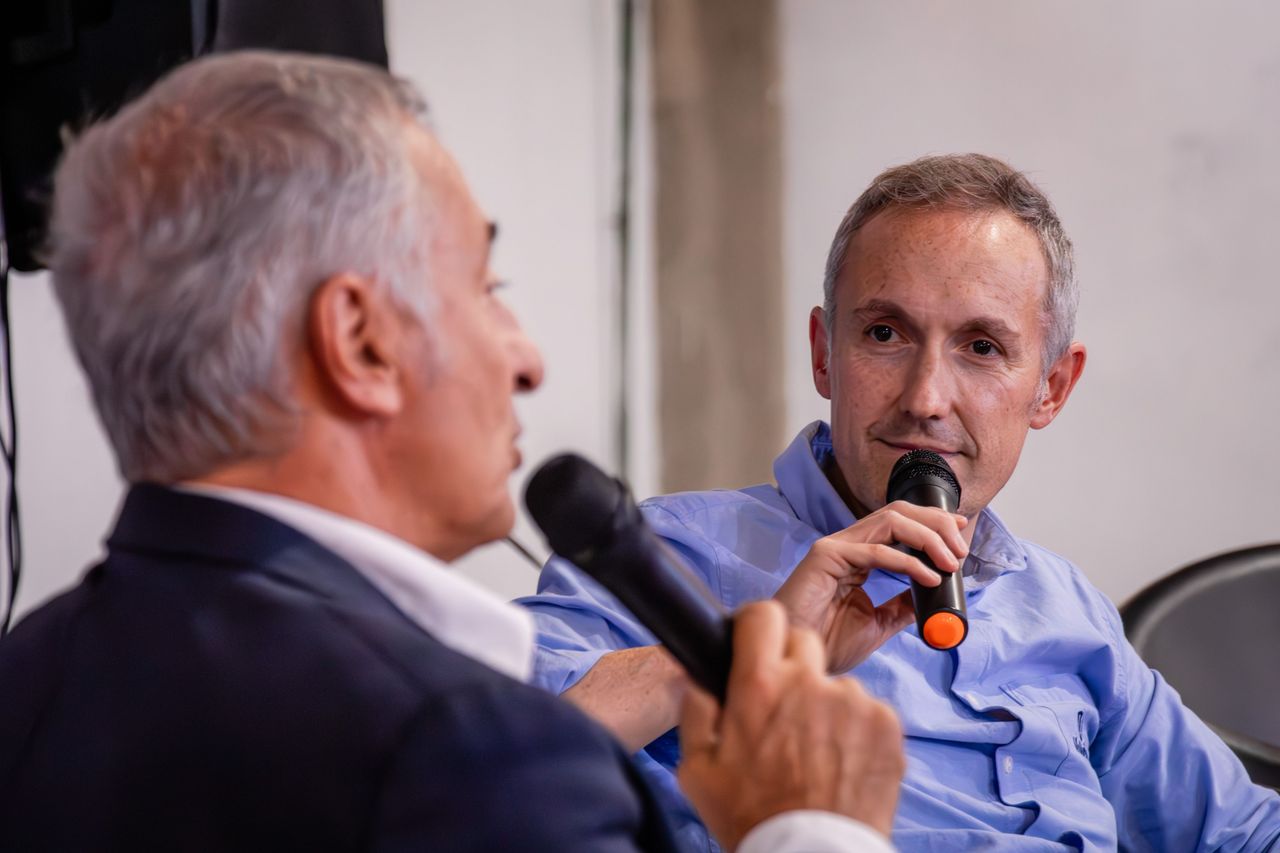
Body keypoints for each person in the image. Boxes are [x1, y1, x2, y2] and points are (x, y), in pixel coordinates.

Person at [0, 52, 907, 852]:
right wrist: (807, 824)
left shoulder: (26, 675)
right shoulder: (474, 756)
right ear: (359, 342)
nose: (526, 358)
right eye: (485, 286)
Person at [521, 153, 1280, 852]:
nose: (925, 399)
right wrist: (744, 650)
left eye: (981, 347)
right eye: (885, 333)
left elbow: (1244, 834)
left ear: (1051, 388)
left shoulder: (1066, 607)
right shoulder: (658, 554)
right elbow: (485, 769)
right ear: (824, 354)